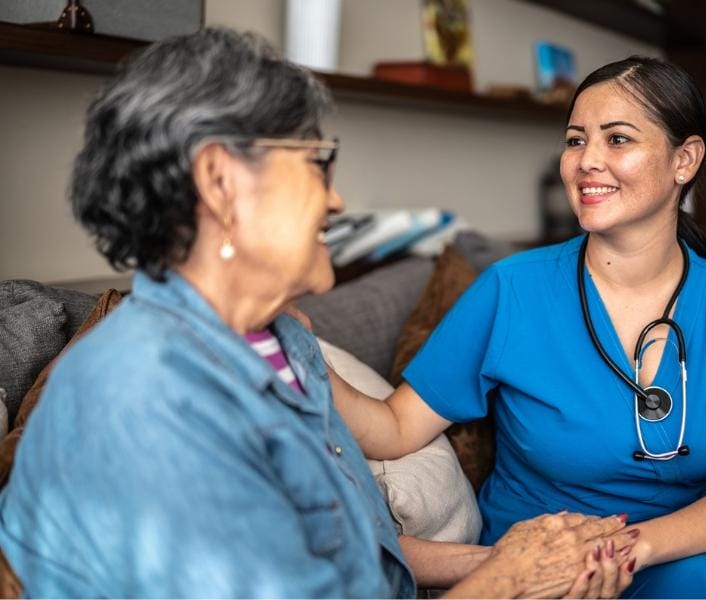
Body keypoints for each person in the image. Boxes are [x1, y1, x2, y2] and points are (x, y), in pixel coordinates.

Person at [0, 28, 637, 598]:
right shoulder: (144, 401)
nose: (336, 200)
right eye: (315, 163)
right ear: (220, 181)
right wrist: (508, 581)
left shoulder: (281, 339)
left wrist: (500, 559)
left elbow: (348, 550)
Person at [329, 56, 706, 598]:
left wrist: (630, 546)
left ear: (685, 159)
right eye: (575, 140)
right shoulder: (511, 290)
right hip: (556, 551)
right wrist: (292, 344)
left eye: (617, 140)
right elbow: (395, 428)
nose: (586, 161)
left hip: (678, 533)